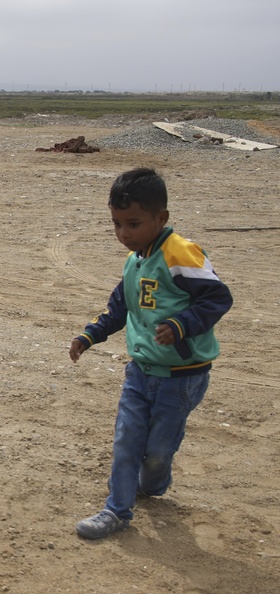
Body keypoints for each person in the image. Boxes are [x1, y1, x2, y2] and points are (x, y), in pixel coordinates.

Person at [70, 168, 233, 540]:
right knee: (127, 440)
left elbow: (218, 297)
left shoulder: (180, 254)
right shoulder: (134, 261)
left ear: (161, 218)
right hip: (140, 372)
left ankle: (153, 483)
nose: (124, 234)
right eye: (116, 224)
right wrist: (89, 335)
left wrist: (181, 325)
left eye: (133, 224)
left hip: (182, 377)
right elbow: (119, 308)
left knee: (158, 451)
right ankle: (117, 509)